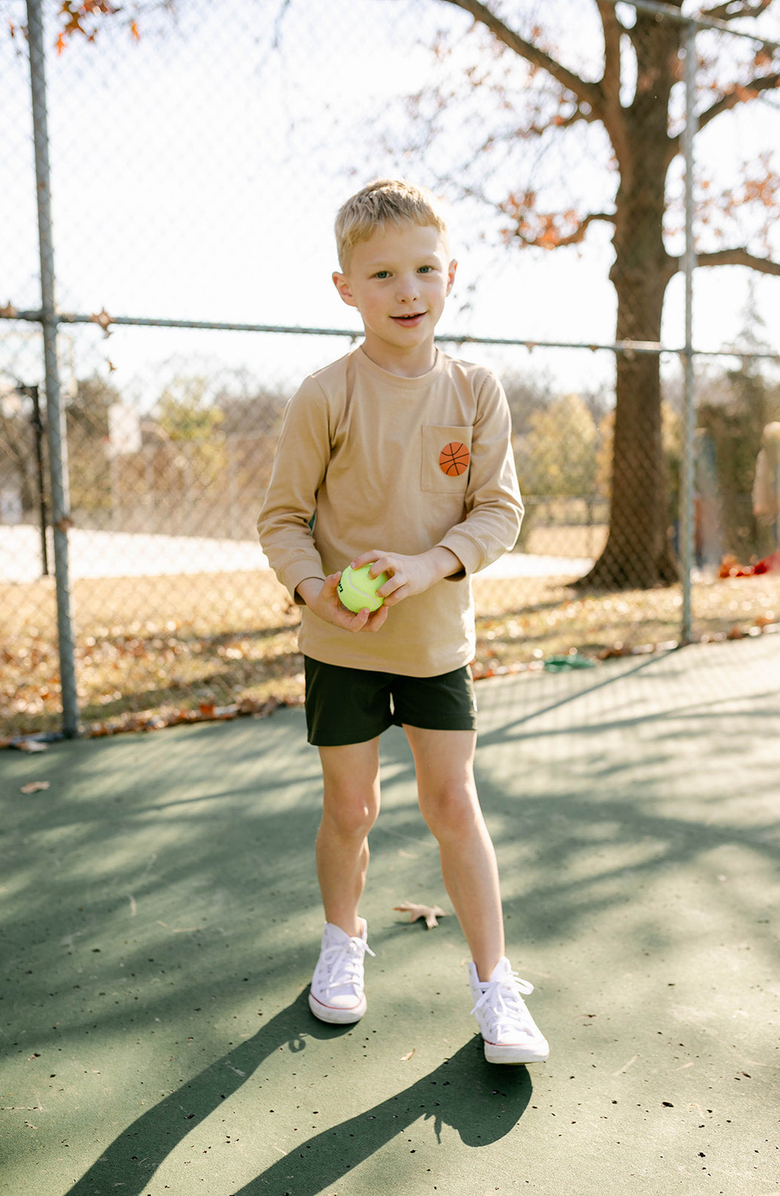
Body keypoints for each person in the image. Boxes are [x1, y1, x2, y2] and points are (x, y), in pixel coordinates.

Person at [257, 179, 548, 1066]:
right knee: (351, 807)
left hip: (435, 643)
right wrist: (316, 590)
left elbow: (498, 511)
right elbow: (282, 520)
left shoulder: (475, 389)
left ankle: (496, 985)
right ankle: (341, 942)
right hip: (341, 642)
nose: (407, 290)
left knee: (452, 802)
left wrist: (427, 566)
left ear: (451, 274)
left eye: (424, 268)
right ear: (345, 287)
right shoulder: (325, 394)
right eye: (382, 274)